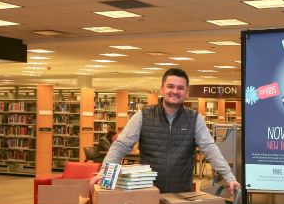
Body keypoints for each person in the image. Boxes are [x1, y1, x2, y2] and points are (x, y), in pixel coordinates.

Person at [90, 68, 240, 194]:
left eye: (180, 88)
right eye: (170, 86)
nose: (175, 91)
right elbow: (121, 145)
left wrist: (229, 177)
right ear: (162, 89)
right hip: (147, 191)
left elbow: (210, 148)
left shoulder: (194, 118)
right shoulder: (143, 115)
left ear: (186, 92)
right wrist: (105, 172)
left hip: (181, 193)